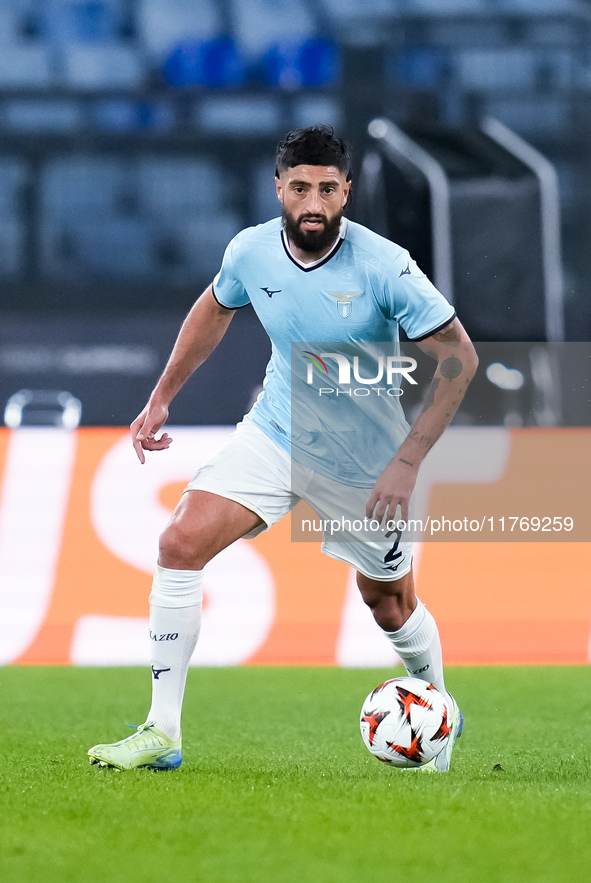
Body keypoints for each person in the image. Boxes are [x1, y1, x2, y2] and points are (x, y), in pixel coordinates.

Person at [88, 125, 478, 772]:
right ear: (279, 189)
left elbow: (458, 359)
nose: (314, 202)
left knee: (388, 602)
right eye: (300, 188)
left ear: (346, 192)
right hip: (275, 431)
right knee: (179, 543)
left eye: (327, 188)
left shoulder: (384, 265)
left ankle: (435, 714)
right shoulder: (250, 252)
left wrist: (405, 463)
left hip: (365, 456)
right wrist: (162, 395)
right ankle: (161, 729)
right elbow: (214, 308)